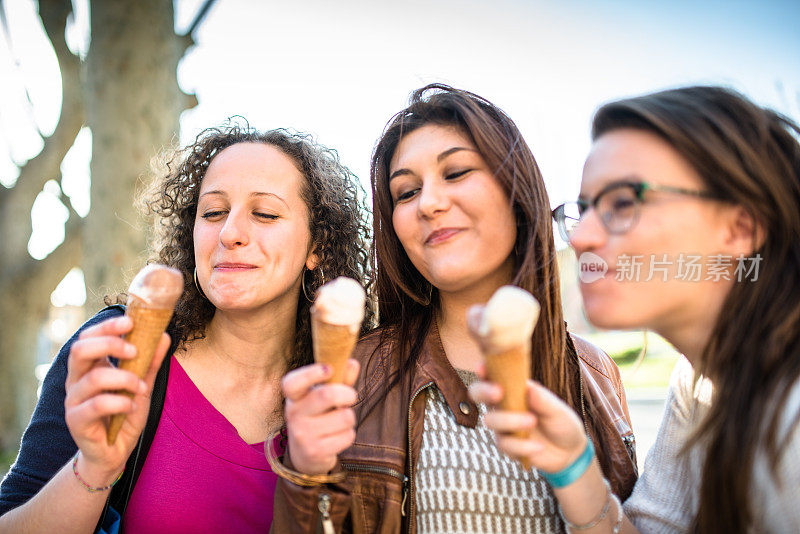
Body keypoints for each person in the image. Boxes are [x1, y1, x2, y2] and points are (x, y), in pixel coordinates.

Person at [271, 84, 638, 533]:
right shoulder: (356, 373)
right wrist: (307, 476)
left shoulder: (596, 373)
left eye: (457, 172)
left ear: (515, 190)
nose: (429, 203)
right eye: (405, 193)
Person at [0, 123, 373, 533]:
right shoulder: (118, 350)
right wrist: (95, 468)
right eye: (212, 213)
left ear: (316, 246)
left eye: (264, 213)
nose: (229, 233)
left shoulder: (359, 389)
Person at [472, 85, 800, 533]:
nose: (582, 236)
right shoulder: (696, 381)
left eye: (623, 202)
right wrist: (573, 465)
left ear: (741, 228)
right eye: (583, 208)